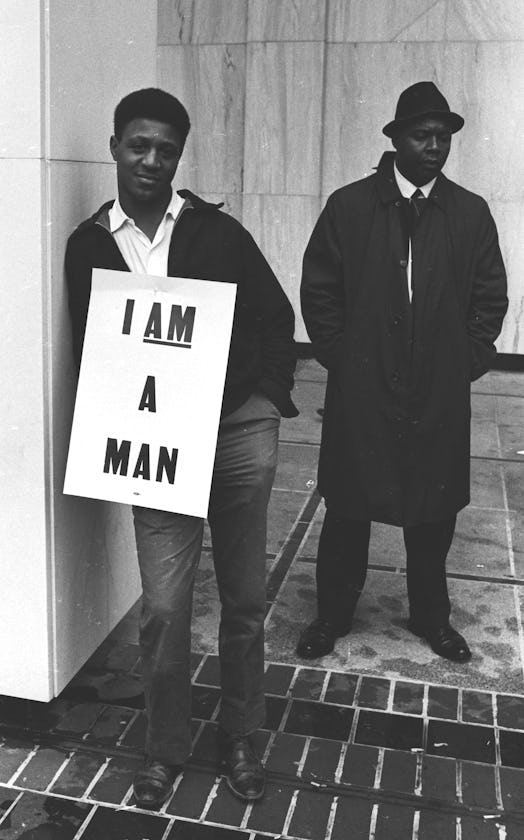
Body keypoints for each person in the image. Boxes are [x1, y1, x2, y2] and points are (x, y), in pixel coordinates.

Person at [65, 88, 297, 808]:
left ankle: (241, 738)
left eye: (166, 149)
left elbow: (275, 319)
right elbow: (93, 352)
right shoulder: (90, 246)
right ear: (114, 147)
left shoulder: (217, 234)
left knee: (244, 600)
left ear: (179, 156)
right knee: (165, 608)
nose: (152, 159)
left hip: (233, 437)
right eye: (139, 144)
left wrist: (256, 401)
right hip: (156, 445)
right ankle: (164, 748)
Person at [297, 81, 507, 664]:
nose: (435, 146)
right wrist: (341, 357)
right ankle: (332, 614)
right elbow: (319, 289)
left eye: (443, 137)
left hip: (437, 388)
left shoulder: (469, 212)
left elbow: (490, 294)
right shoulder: (350, 205)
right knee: (348, 505)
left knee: (432, 510)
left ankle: (431, 616)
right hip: (363, 387)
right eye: (423, 135)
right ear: (395, 139)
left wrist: (468, 357)